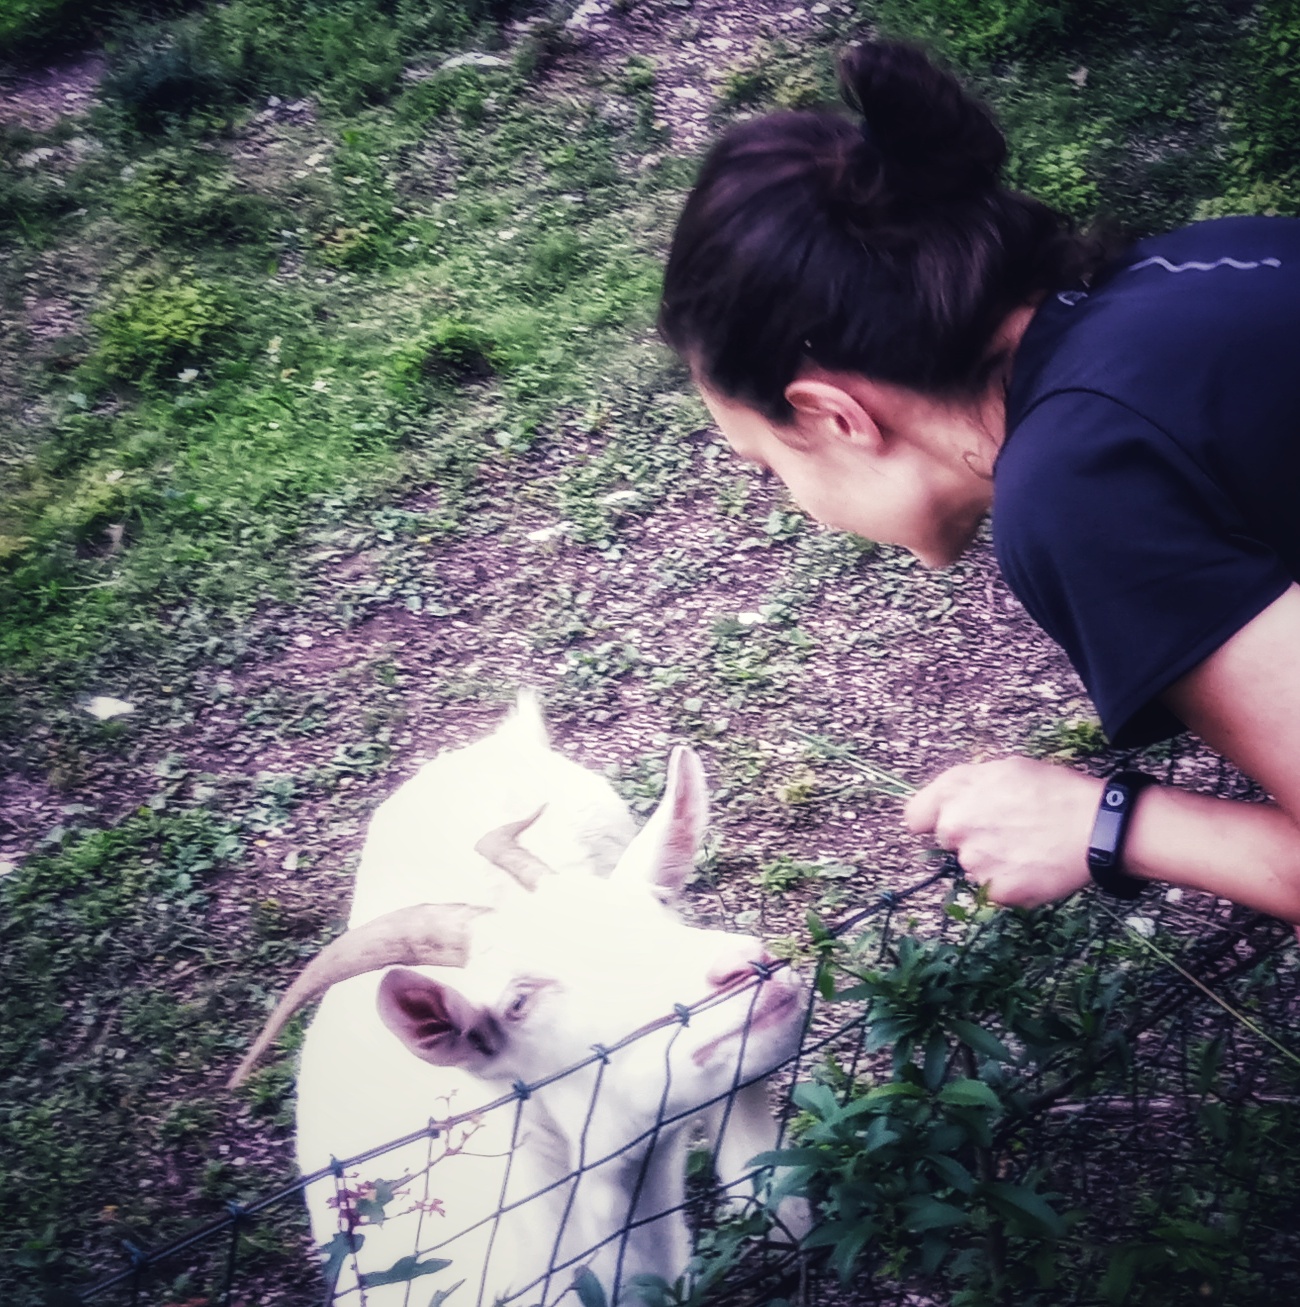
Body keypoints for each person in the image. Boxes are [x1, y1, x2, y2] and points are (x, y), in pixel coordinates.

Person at [658, 40, 1300, 927]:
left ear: (834, 416)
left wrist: (1108, 822)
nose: (798, 507)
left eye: (771, 468)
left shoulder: (1079, 487)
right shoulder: (1208, 264)